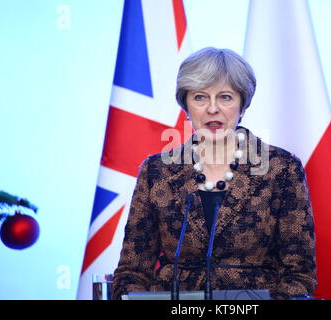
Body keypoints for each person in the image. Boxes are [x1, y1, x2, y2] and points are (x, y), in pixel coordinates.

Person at [112, 47, 317, 300]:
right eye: (200, 97)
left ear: (242, 104)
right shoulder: (157, 171)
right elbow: (132, 273)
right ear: (185, 105)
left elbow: (299, 275)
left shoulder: (281, 169)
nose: (212, 109)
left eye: (225, 97)